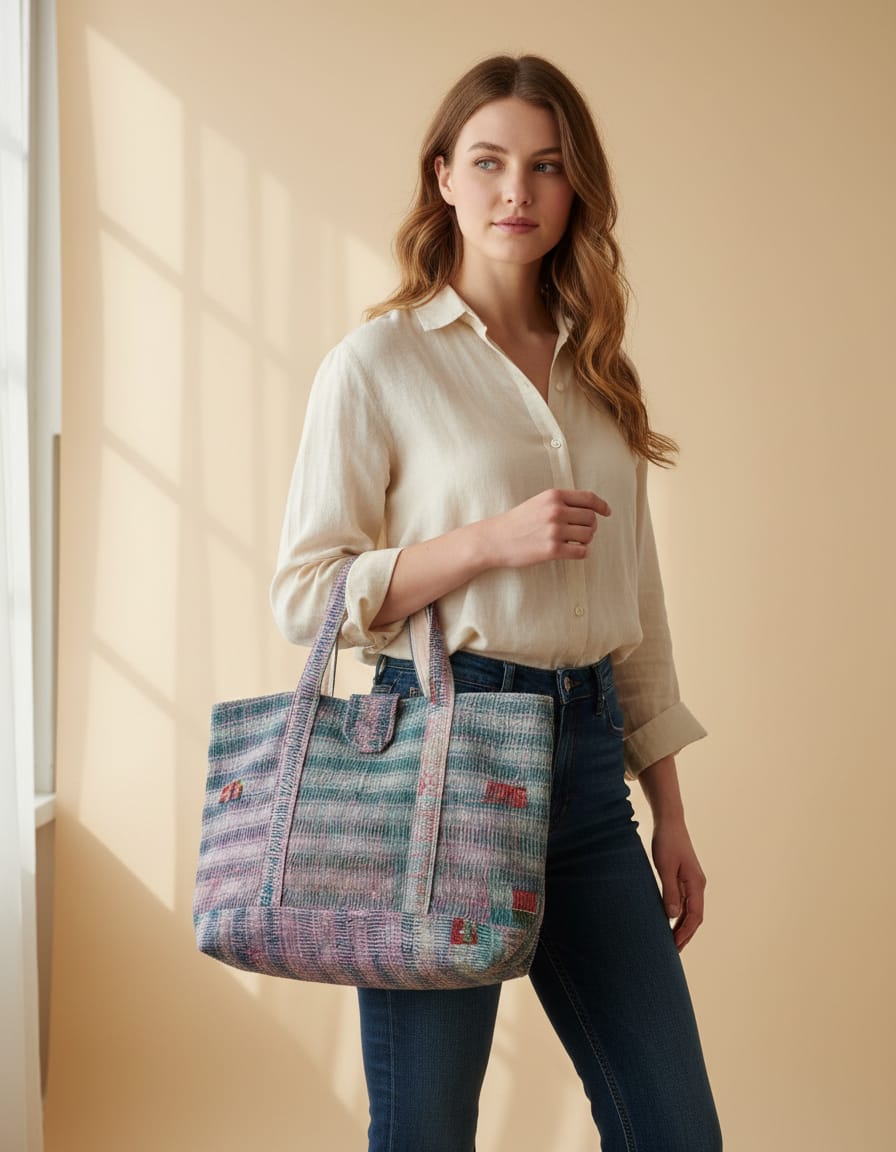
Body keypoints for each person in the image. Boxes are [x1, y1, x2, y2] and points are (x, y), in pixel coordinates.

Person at [271, 53, 722, 1152]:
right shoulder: (378, 363)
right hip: (441, 756)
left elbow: (636, 601)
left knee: (673, 1130)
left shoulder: (599, 371)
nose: (516, 191)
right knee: (426, 1130)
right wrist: (485, 543)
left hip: (588, 776)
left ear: (575, 188)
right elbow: (307, 596)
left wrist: (667, 807)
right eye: (488, 162)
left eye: (546, 166)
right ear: (443, 177)